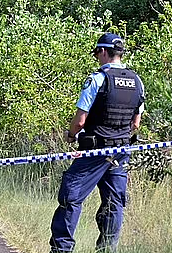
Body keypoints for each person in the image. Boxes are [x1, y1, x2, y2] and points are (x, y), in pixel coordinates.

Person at [49, 33, 145, 253]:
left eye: (96, 53)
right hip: (121, 151)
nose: (97, 58)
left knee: (70, 196)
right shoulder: (136, 81)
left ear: (103, 51)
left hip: (94, 151)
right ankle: (106, 250)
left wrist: (72, 135)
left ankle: (61, 249)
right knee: (114, 203)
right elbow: (136, 123)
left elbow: (80, 120)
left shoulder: (97, 79)